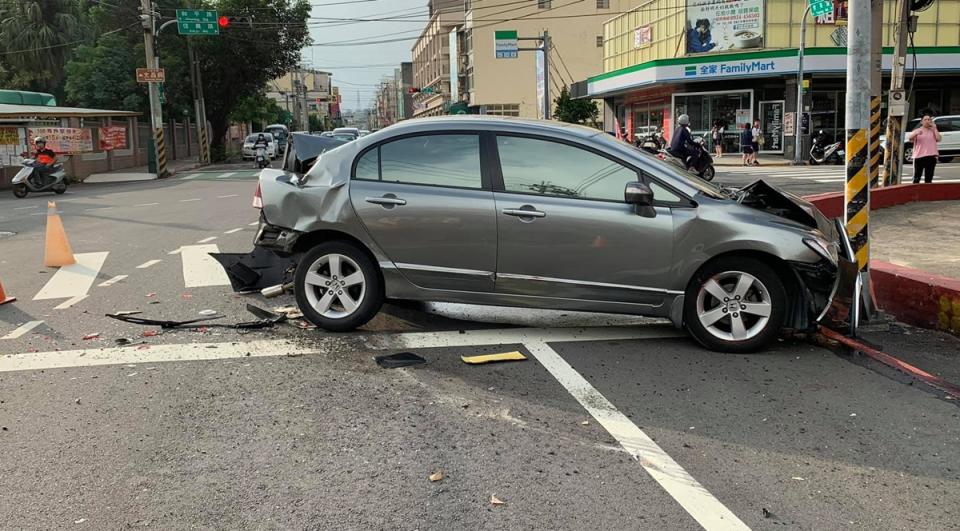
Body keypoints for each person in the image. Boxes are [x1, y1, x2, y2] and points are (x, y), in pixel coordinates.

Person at [908, 114, 942, 184]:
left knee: (929, 178)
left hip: (931, 156)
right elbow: (910, 139)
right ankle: (915, 193)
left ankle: (927, 193)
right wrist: (915, 134)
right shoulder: (917, 130)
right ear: (921, 122)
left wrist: (935, 128)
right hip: (919, 156)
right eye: (925, 119)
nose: (927, 121)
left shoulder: (933, 131)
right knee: (917, 177)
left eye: (929, 119)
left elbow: (938, 139)